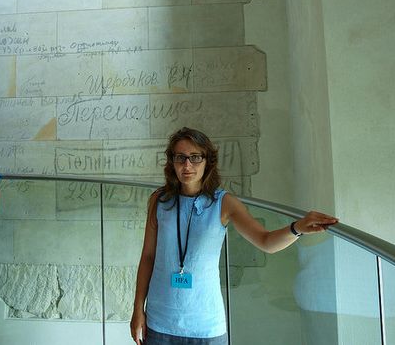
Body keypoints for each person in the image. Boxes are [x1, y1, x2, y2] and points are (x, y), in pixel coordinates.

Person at [130, 127, 338, 345]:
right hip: (159, 322)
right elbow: (148, 258)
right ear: (171, 162)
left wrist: (298, 228)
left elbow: (266, 242)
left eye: (195, 157)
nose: (187, 165)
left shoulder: (223, 203)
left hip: (206, 327)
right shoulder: (159, 200)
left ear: (208, 161)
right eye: (180, 157)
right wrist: (137, 310)